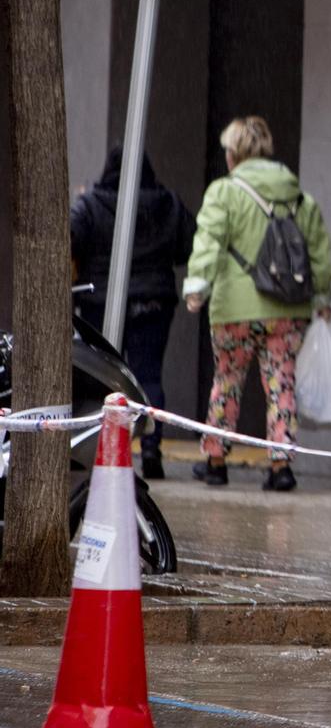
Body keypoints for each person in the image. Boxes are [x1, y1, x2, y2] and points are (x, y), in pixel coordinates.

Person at [182, 116, 331, 491]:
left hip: (234, 310)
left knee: (227, 381)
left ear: (234, 155)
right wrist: (323, 298)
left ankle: (216, 461)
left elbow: (209, 241)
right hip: (287, 310)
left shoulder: (224, 193)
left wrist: (197, 287)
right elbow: (319, 254)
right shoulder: (300, 198)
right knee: (281, 383)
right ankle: (281, 466)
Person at [70, 145, 197, 480]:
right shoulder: (167, 204)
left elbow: (70, 237)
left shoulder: (92, 203)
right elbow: (189, 243)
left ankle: (101, 447)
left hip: (101, 301)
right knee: (149, 374)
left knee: (102, 375)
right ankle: (152, 448)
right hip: (154, 302)